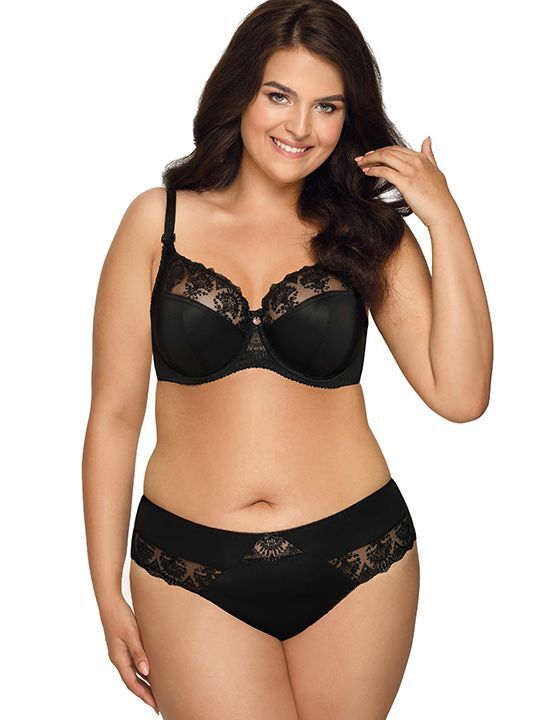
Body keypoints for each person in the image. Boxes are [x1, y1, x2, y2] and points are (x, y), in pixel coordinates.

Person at [82, 1, 493, 717]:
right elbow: (114, 417)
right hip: (189, 569)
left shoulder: (368, 235)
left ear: (347, 117)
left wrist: (444, 220)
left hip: (360, 559)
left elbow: (460, 395)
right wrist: (105, 592)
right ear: (241, 92)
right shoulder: (158, 221)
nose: (300, 127)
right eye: (280, 96)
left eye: (327, 106)